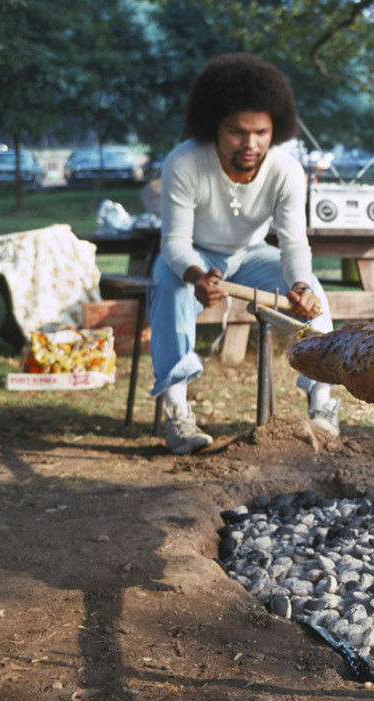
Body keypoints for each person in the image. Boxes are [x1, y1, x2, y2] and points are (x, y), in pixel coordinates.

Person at [149, 53, 339, 454]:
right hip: (194, 257)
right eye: (236, 131)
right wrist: (196, 276)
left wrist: (301, 285)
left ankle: (322, 405)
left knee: (316, 299)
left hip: (251, 254)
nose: (250, 144)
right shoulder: (184, 163)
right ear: (213, 127)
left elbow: (293, 244)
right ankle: (178, 413)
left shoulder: (286, 171)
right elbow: (175, 244)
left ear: (276, 130)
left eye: (261, 132)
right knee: (169, 289)